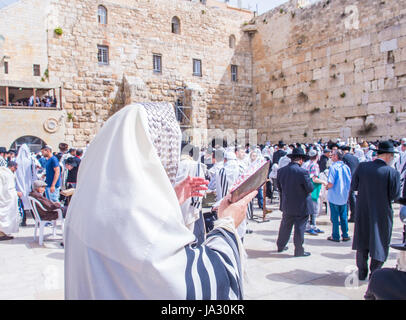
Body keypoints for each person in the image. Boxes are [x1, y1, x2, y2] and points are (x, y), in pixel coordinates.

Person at [64, 102, 257, 299]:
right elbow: (190, 287)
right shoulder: (137, 218)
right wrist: (227, 225)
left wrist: (172, 198)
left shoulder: (86, 203)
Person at [351, 140, 401, 290]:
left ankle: (361, 272)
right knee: (380, 240)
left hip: (363, 210)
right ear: (388, 155)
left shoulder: (362, 167)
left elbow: (354, 186)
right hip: (381, 212)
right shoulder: (392, 172)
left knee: (362, 239)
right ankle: (375, 273)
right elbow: (394, 195)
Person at [276, 148, 314, 257]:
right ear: (301, 160)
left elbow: (279, 187)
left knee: (285, 226)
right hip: (301, 206)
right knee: (299, 228)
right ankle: (299, 250)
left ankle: (281, 246)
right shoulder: (303, 172)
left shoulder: (281, 171)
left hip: (287, 204)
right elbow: (310, 188)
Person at [326, 150, 352, 242]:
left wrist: (326, 187)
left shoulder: (333, 168)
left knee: (335, 218)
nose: (331, 157)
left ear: (336, 157)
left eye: (332, 155)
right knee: (344, 217)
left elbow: (330, 183)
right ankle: (345, 234)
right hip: (344, 196)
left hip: (334, 196)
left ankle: (335, 235)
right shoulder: (346, 167)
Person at [302, 149, 328, 235]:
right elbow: (314, 179)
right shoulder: (314, 165)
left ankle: (310, 225)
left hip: (305, 189)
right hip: (313, 189)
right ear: (317, 156)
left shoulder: (305, 164)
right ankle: (311, 226)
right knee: (314, 209)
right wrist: (323, 182)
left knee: (309, 208)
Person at [15, 144, 38, 227]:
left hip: (20, 185)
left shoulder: (16, 160)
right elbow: (34, 173)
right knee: (31, 203)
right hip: (29, 185)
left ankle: (23, 220)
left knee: (22, 204)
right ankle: (36, 219)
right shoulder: (30, 160)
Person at [0, 162, 22, 240]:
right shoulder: (8, 175)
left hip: (3, 198)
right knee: (6, 217)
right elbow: (9, 189)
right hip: (6, 199)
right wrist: (16, 193)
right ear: (12, 167)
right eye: (16, 168)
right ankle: (1, 233)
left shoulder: (2, 172)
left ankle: (3, 232)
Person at [341, 145, 360, 223]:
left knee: (347, 198)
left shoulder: (344, 158)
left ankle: (349, 216)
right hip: (355, 179)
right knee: (352, 198)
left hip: (347, 180)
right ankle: (354, 215)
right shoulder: (355, 158)